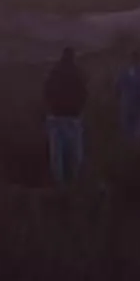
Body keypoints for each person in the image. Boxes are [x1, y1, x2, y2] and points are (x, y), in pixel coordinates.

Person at [42, 46, 89, 184]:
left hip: (56, 117)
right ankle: (74, 184)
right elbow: (84, 94)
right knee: (75, 155)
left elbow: (46, 91)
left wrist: (50, 108)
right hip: (73, 118)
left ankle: (59, 185)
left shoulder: (54, 72)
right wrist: (79, 109)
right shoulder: (78, 74)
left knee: (57, 156)